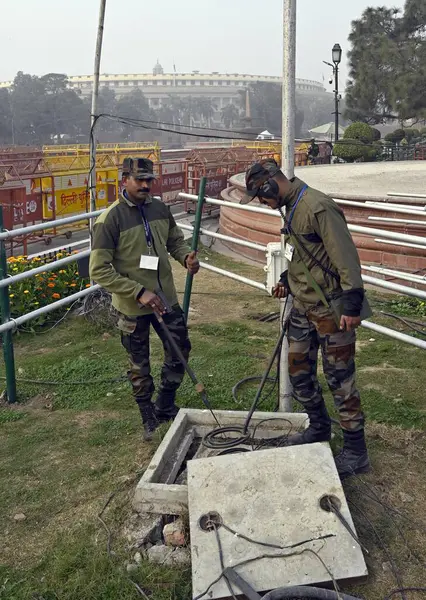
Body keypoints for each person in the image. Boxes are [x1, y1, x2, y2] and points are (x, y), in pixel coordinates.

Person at [241, 159, 371, 479]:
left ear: (272, 184)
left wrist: (352, 304)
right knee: (298, 371)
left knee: (340, 380)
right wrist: (288, 277)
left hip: (331, 309)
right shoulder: (292, 207)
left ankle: (356, 450)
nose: (262, 203)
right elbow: (306, 255)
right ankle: (319, 428)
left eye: (261, 196)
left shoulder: (317, 206)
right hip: (302, 307)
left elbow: (345, 257)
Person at [89, 157, 199, 440]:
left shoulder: (160, 208)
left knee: (179, 350)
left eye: (150, 180)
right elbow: (98, 270)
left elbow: (175, 239)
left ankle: (165, 403)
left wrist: (185, 256)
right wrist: (138, 291)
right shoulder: (109, 220)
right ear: (124, 179)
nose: (146, 185)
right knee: (139, 363)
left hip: (166, 299)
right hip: (132, 306)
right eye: (140, 180)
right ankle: (146, 413)